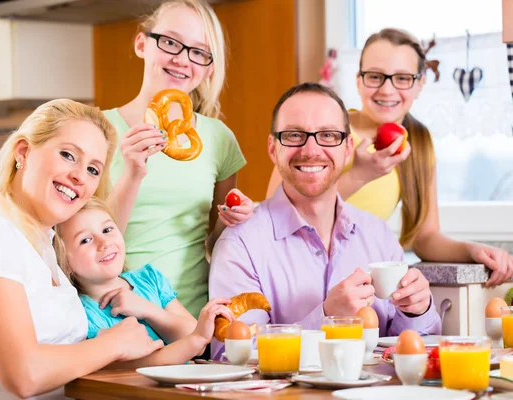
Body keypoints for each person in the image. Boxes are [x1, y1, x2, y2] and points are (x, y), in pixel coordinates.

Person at [0, 99, 163, 400]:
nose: (80, 176)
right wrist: (112, 343)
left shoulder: (45, 248)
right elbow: (24, 375)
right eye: (68, 155)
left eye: (93, 169)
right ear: (23, 152)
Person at [210, 83, 441, 360]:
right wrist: (327, 318)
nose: (311, 149)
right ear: (273, 148)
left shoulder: (378, 236)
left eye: (328, 135)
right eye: (295, 135)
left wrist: (416, 310)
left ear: (348, 148)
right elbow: (233, 357)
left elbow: (413, 352)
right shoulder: (241, 243)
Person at [266, 28, 513, 287]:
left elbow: (425, 237)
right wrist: (359, 175)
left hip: (358, 284)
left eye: (403, 78)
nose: (387, 89)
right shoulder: (321, 133)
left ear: (419, 85)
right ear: (358, 80)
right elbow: (275, 214)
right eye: (375, 76)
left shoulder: (416, 144)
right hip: (294, 276)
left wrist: (472, 251)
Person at [103, 0, 253, 318]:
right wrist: (132, 173)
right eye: (170, 42)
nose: (182, 59)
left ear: (209, 67)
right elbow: (83, 242)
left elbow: (212, 245)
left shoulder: (218, 139)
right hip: (113, 314)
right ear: (142, 43)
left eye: (198, 52)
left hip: (193, 317)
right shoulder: (96, 131)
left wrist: (233, 223)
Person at [54, 197, 234, 367]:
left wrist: (148, 310)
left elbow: (192, 334)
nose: (104, 243)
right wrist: (196, 340)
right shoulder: (81, 315)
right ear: (64, 262)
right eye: (85, 240)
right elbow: (135, 367)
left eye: (107, 230)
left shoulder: (149, 279)